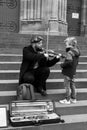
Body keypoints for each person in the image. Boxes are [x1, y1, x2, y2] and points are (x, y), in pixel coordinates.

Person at [59, 37, 80, 104]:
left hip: (67, 72)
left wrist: (62, 65)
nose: (65, 46)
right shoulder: (76, 51)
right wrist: (65, 57)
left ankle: (67, 99)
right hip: (73, 71)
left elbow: (69, 62)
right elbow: (73, 61)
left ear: (70, 44)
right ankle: (73, 99)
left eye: (66, 44)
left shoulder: (69, 52)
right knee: (72, 85)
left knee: (67, 86)